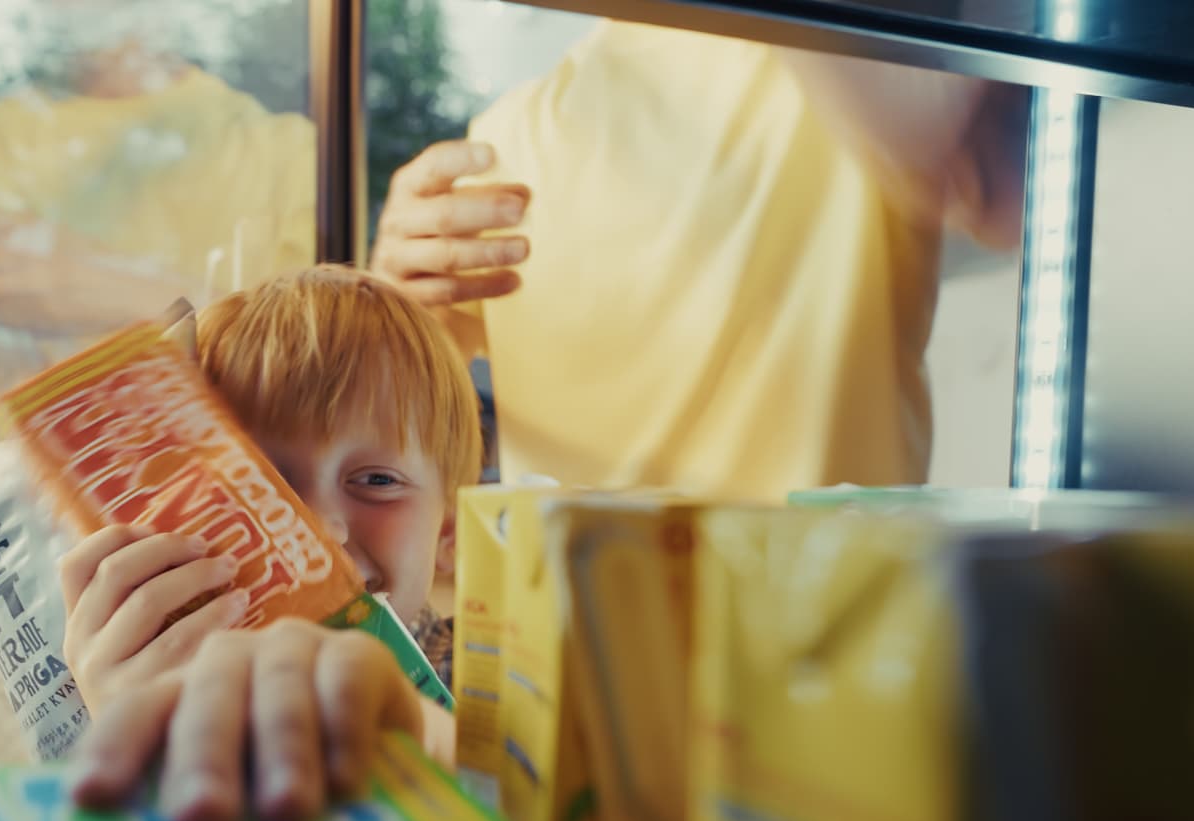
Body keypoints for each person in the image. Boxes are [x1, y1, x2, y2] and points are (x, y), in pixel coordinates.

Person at [370, 21, 1029, 500]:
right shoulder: (502, 142)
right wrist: (386, 310)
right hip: (571, 663)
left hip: (821, 648)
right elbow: (395, 445)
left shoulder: (842, 46)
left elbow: (1005, 186)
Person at [60, 265, 484, 821]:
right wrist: (133, 736)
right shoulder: (157, 675)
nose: (320, 528)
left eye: (378, 481)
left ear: (449, 535)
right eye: (262, 483)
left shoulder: (491, 684)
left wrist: (427, 740)